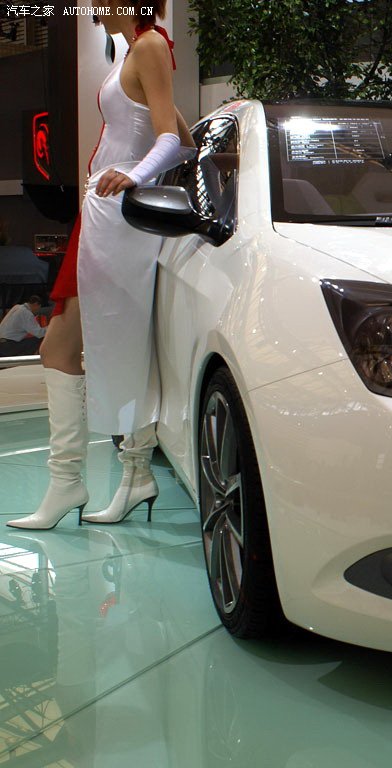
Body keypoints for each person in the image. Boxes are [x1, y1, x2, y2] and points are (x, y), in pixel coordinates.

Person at [8, 1, 197, 530]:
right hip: (103, 213)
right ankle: (127, 475)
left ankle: (80, 480)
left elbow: (169, 141)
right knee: (101, 344)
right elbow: (183, 140)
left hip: (117, 216)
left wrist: (134, 174)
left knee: (78, 345)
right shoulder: (132, 49)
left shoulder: (150, 44)